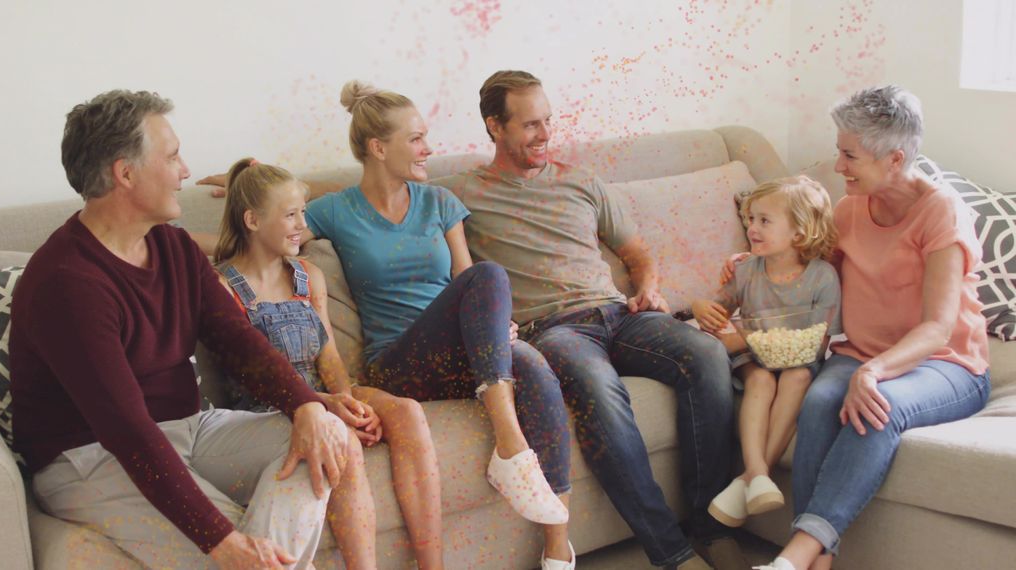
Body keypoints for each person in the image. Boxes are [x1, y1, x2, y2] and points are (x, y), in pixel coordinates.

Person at [198, 81, 576, 569]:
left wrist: (494, 330)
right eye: (416, 138)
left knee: (531, 362)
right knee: (492, 279)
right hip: (398, 362)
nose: (429, 148)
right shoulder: (338, 209)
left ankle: (556, 546)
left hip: (459, 350)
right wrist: (236, 193)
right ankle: (509, 445)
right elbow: (270, 230)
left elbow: (468, 283)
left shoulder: (439, 202)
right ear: (379, 148)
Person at [11, 90, 355, 570]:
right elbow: (126, 430)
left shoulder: (174, 248)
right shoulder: (67, 283)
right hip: (88, 457)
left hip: (189, 426)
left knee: (324, 435)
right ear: (124, 173)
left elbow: (238, 341)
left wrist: (305, 405)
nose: (187, 171)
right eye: (172, 157)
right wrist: (223, 541)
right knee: (228, 552)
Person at [435, 70, 745, 570]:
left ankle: (710, 528)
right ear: (494, 126)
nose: (545, 134)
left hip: (621, 314)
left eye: (548, 121)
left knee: (707, 353)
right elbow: (396, 197)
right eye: (530, 125)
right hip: (552, 330)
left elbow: (636, 251)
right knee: (599, 389)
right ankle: (673, 552)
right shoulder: (460, 195)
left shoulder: (582, 182)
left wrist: (648, 285)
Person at [750, 86, 991, 570]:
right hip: (860, 351)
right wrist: (757, 264)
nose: (838, 166)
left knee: (877, 407)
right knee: (819, 403)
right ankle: (815, 561)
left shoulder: (940, 211)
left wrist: (873, 372)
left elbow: (939, 327)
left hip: (943, 364)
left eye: (849, 155)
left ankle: (792, 558)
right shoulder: (848, 208)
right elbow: (812, 274)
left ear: (895, 158)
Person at [213, 157, 445, 569]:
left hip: (324, 395)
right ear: (251, 220)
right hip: (271, 406)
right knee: (339, 436)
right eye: (290, 215)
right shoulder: (223, 288)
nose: (302, 224)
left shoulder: (308, 275)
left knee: (405, 412)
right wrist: (330, 409)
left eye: (303, 212)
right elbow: (251, 379)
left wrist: (347, 401)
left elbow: (330, 356)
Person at [692, 176, 841, 529]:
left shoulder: (822, 277)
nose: (752, 229)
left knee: (798, 376)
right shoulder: (745, 271)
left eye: (764, 221)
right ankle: (758, 472)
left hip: (799, 360)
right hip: (754, 359)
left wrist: (757, 335)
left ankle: (747, 480)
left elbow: (818, 343)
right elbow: (718, 314)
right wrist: (700, 307)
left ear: (799, 234)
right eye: (751, 220)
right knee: (759, 380)